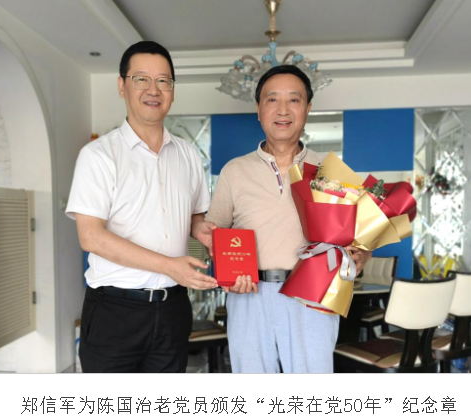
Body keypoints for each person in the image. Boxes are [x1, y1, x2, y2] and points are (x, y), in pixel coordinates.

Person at [205, 65, 372, 373]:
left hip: (313, 294)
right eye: (272, 100)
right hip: (249, 297)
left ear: (307, 108)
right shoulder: (234, 171)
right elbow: (213, 234)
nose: (283, 110)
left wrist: (361, 254)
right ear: (258, 109)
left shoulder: (330, 169)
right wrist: (227, 274)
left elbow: (364, 231)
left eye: (294, 100)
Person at [66, 41, 217, 373]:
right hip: (115, 311)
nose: (153, 89)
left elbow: (195, 219)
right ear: (122, 86)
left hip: (173, 309)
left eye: (163, 81)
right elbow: (91, 237)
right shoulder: (98, 156)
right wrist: (170, 266)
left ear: (173, 90)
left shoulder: (189, 155)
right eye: (141, 79)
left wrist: (208, 234)